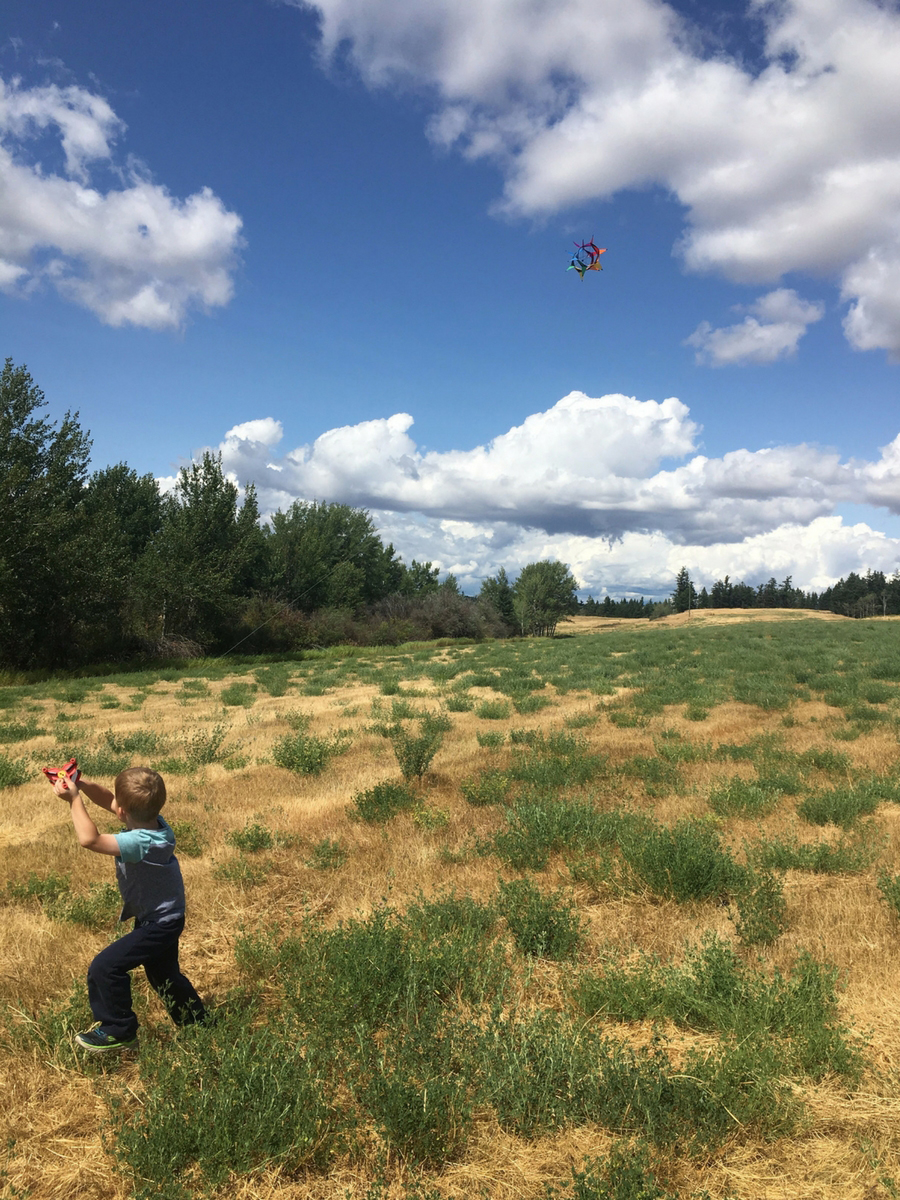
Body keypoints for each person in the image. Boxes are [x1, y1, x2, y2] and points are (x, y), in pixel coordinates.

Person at [48, 765, 206, 1052]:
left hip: (159, 922)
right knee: (164, 976)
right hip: (165, 916)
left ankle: (118, 1031)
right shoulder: (156, 824)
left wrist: (73, 800)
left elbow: (90, 839)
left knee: (105, 967)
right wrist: (80, 784)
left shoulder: (139, 842)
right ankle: (199, 1024)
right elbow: (110, 799)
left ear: (122, 812)